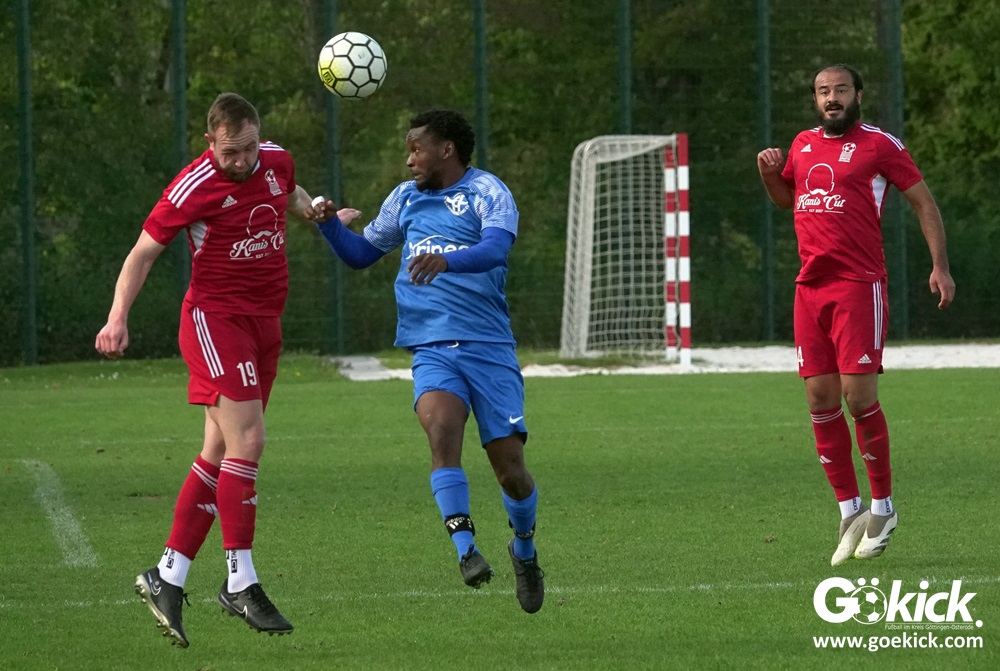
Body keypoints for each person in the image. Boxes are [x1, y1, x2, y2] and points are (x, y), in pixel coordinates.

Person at [95, 92, 330, 646]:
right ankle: (240, 581)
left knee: (219, 452)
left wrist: (315, 212)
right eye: (230, 152)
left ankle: (167, 575)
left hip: (264, 324)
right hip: (215, 321)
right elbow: (142, 253)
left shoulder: (275, 160)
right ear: (210, 142)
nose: (242, 161)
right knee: (249, 440)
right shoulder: (193, 185)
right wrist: (117, 317)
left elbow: (289, 193)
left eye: (249, 148)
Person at [312, 108, 545, 613]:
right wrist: (329, 226)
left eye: (416, 148)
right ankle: (467, 552)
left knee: (510, 469)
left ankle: (524, 550)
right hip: (432, 346)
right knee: (441, 429)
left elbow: (495, 250)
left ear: (447, 149)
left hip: (489, 347)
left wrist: (447, 260)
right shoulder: (404, 198)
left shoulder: (487, 191)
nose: (409, 159)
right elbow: (361, 254)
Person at [757, 65, 955, 566]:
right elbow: (788, 200)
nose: (832, 98)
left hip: (858, 285)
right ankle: (850, 510)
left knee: (858, 396)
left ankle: (883, 508)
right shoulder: (802, 145)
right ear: (815, 99)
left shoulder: (879, 145)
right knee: (819, 398)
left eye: (841, 90)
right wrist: (768, 175)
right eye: (823, 91)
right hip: (810, 287)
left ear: (858, 95)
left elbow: (924, 203)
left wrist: (940, 266)